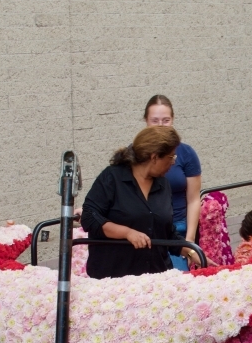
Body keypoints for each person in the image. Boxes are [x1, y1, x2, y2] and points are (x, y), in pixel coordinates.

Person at [82, 126, 195, 279]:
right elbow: (89, 217)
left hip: (156, 277)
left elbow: (167, 233)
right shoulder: (112, 178)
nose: (173, 162)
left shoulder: (164, 184)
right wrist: (127, 233)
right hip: (114, 278)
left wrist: (192, 252)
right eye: (171, 157)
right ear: (154, 157)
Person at [143, 95, 202, 271]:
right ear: (146, 121)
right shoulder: (135, 153)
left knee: (178, 278)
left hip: (178, 228)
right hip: (145, 231)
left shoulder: (186, 153)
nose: (160, 126)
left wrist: (189, 241)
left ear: (173, 120)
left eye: (166, 120)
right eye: (155, 120)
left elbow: (193, 199)